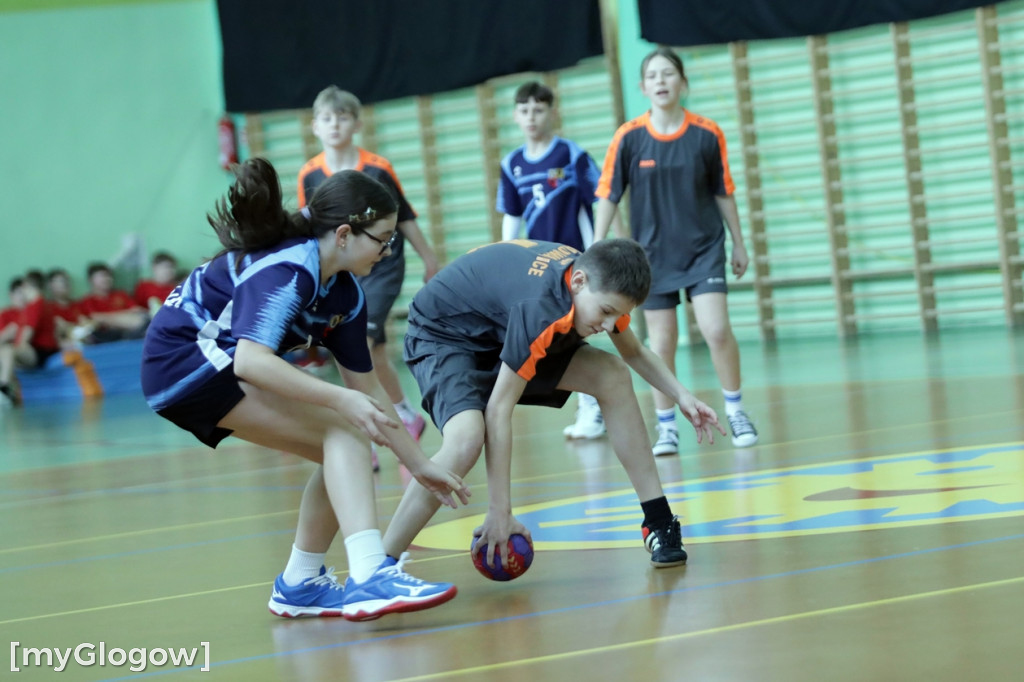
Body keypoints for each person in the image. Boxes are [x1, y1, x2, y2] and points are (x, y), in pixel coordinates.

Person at [141, 158, 470, 621]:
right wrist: (340, 399)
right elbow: (251, 360)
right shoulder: (290, 267)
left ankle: (301, 583)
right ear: (343, 236)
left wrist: (419, 464)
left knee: (339, 445)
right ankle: (370, 573)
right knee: (344, 431)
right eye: (383, 239)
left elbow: (370, 390)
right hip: (182, 360)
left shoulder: (346, 296)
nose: (389, 250)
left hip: (207, 367)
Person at [381, 238, 724, 571]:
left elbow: (632, 351)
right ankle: (379, 564)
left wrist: (683, 395)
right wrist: (500, 511)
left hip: (497, 329)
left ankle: (658, 522)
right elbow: (499, 410)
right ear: (578, 281)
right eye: (605, 313)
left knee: (612, 375)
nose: (608, 327)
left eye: (616, 316)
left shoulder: (596, 286)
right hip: (445, 337)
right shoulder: (541, 308)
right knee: (467, 439)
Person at [593, 46, 759, 454]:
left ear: (683, 83)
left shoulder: (707, 133)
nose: (661, 81)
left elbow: (724, 192)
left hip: (704, 249)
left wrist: (738, 241)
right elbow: (608, 194)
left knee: (717, 330)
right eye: (653, 75)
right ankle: (667, 425)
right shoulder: (628, 137)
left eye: (669, 74)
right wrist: (598, 247)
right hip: (651, 259)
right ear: (643, 87)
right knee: (661, 341)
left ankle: (735, 409)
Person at [298, 86, 439, 456]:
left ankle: (369, 430)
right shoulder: (310, 174)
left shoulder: (377, 168)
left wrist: (430, 259)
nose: (335, 125)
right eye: (327, 118)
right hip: (343, 272)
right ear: (315, 126)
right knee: (367, 353)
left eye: (342, 117)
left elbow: (404, 217)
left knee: (361, 344)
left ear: (356, 123)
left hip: (383, 266)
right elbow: (308, 226)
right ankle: (403, 415)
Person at [496, 81, 617, 442]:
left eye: (539, 109)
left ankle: (592, 409)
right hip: (537, 266)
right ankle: (591, 406)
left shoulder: (571, 155)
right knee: (554, 334)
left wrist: (598, 248)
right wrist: (507, 257)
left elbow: (599, 200)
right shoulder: (512, 164)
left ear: (552, 112)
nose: (531, 117)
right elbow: (511, 217)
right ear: (516, 115)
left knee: (578, 330)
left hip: (574, 263)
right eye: (525, 110)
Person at [0, 271, 59, 407]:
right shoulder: (35, 305)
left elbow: (25, 339)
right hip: (38, 350)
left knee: (8, 350)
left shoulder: (36, 305)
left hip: (42, 352)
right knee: (5, 351)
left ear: (26, 286)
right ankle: (4, 388)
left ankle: (4, 389)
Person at [77, 262, 149, 343]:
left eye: (108, 275)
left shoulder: (121, 294)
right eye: (102, 276)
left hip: (133, 332)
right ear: (91, 280)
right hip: (107, 336)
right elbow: (94, 319)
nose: (107, 278)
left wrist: (107, 318)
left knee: (145, 320)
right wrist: (124, 316)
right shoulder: (87, 301)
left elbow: (138, 311)